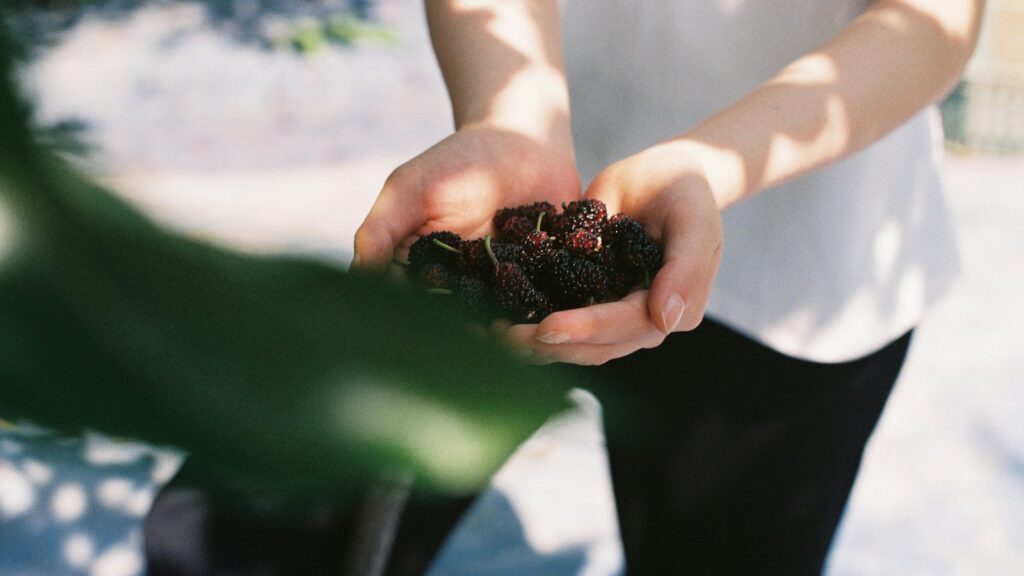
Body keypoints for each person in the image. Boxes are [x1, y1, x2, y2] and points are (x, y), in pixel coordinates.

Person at [354, 0, 985, 574]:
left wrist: (703, 167)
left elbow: (934, 19)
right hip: (528, 175)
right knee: (346, 533)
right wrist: (509, 117)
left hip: (801, 268)